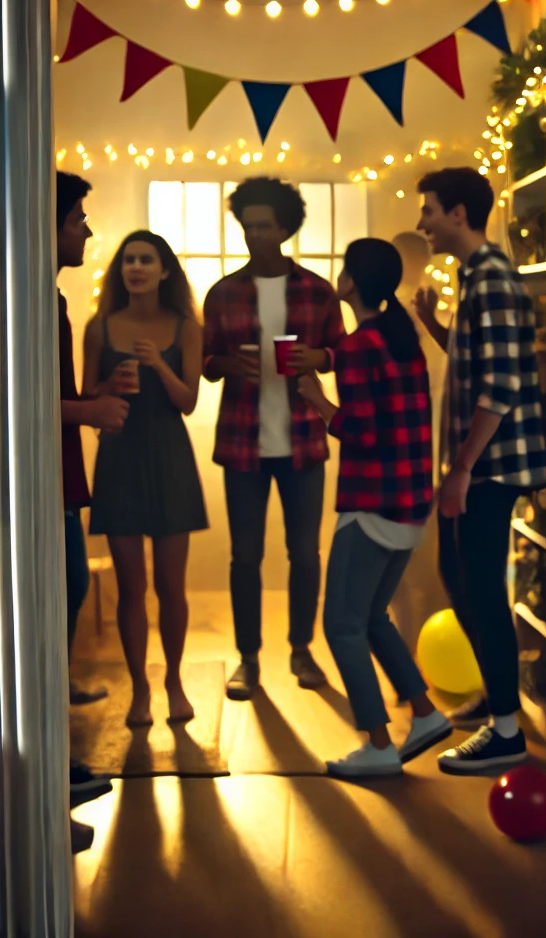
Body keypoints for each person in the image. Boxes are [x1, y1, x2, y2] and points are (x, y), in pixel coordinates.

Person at [294, 238, 452, 777]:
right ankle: (426, 714)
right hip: (410, 504)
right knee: (371, 618)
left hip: (371, 505)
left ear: (351, 283)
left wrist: (315, 399)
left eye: (342, 270)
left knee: (340, 625)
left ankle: (380, 744)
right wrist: (325, 362)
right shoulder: (398, 337)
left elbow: (361, 431)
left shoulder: (364, 346)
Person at [410, 168, 546, 776]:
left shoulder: (491, 278)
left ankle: (507, 732)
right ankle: (498, 702)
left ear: (460, 214)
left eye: (430, 211)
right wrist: (436, 326)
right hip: (482, 464)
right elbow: (481, 364)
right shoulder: (475, 278)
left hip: (492, 467)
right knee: (458, 576)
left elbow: (503, 386)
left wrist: (461, 468)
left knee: (481, 587)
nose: (423, 224)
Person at [200, 177, 345, 701]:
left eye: (263, 226)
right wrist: (222, 364)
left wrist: (320, 359)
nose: (253, 234)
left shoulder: (317, 291)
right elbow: (205, 362)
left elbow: (342, 352)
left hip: (304, 442)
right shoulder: (222, 293)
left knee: (305, 553)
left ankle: (301, 650)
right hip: (244, 445)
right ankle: (248, 658)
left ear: (285, 228)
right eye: (246, 225)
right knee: (245, 556)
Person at [84, 230, 209, 728]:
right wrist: (110, 386)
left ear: (164, 271)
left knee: (170, 586)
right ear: (121, 271)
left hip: (169, 454)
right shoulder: (99, 326)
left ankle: (174, 680)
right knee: (132, 587)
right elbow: (89, 397)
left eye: (146, 259)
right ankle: (140, 690)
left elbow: (189, 401)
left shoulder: (185, 327)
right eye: (129, 259)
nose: (136, 267)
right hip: (120, 457)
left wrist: (158, 363)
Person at [54, 172, 123, 850]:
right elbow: (22, 399)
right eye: (78, 218)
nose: (87, 230)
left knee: (69, 595)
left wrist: (93, 395)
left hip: (62, 483)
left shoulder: (50, 299)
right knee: (59, 604)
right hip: (45, 486)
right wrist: (93, 410)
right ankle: (54, 776)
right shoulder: (33, 301)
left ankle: (59, 767)